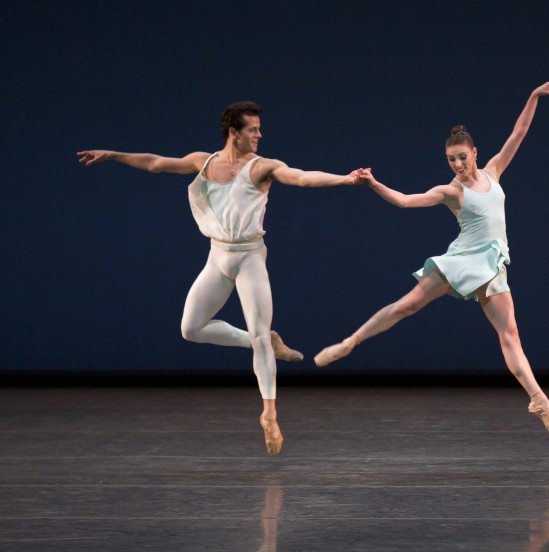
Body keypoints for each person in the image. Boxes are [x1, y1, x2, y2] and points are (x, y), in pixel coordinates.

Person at [78, 101, 360, 455]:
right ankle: (265, 342)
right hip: (218, 256)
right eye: (252, 130)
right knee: (191, 328)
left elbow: (301, 177)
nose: (259, 135)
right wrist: (112, 155)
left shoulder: (262, 168)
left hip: (249, 257)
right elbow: (154, 163)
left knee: (258, 332)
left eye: (259, 129)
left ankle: (269, 415)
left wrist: (345, 178)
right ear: (234, 133)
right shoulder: (204, 161)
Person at [314, 79, 549, 437]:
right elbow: (403, 201)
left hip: (492, 265)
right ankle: (349, 343)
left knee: (510, 334)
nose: (458, 165)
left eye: (462, 157)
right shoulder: (451, 191)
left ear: (475, 153)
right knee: (407, 305)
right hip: (463, 259)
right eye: (451, 160)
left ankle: (538, 397)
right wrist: (373, 183)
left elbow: (519, 132)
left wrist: (533, 96)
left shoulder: (493, 172)